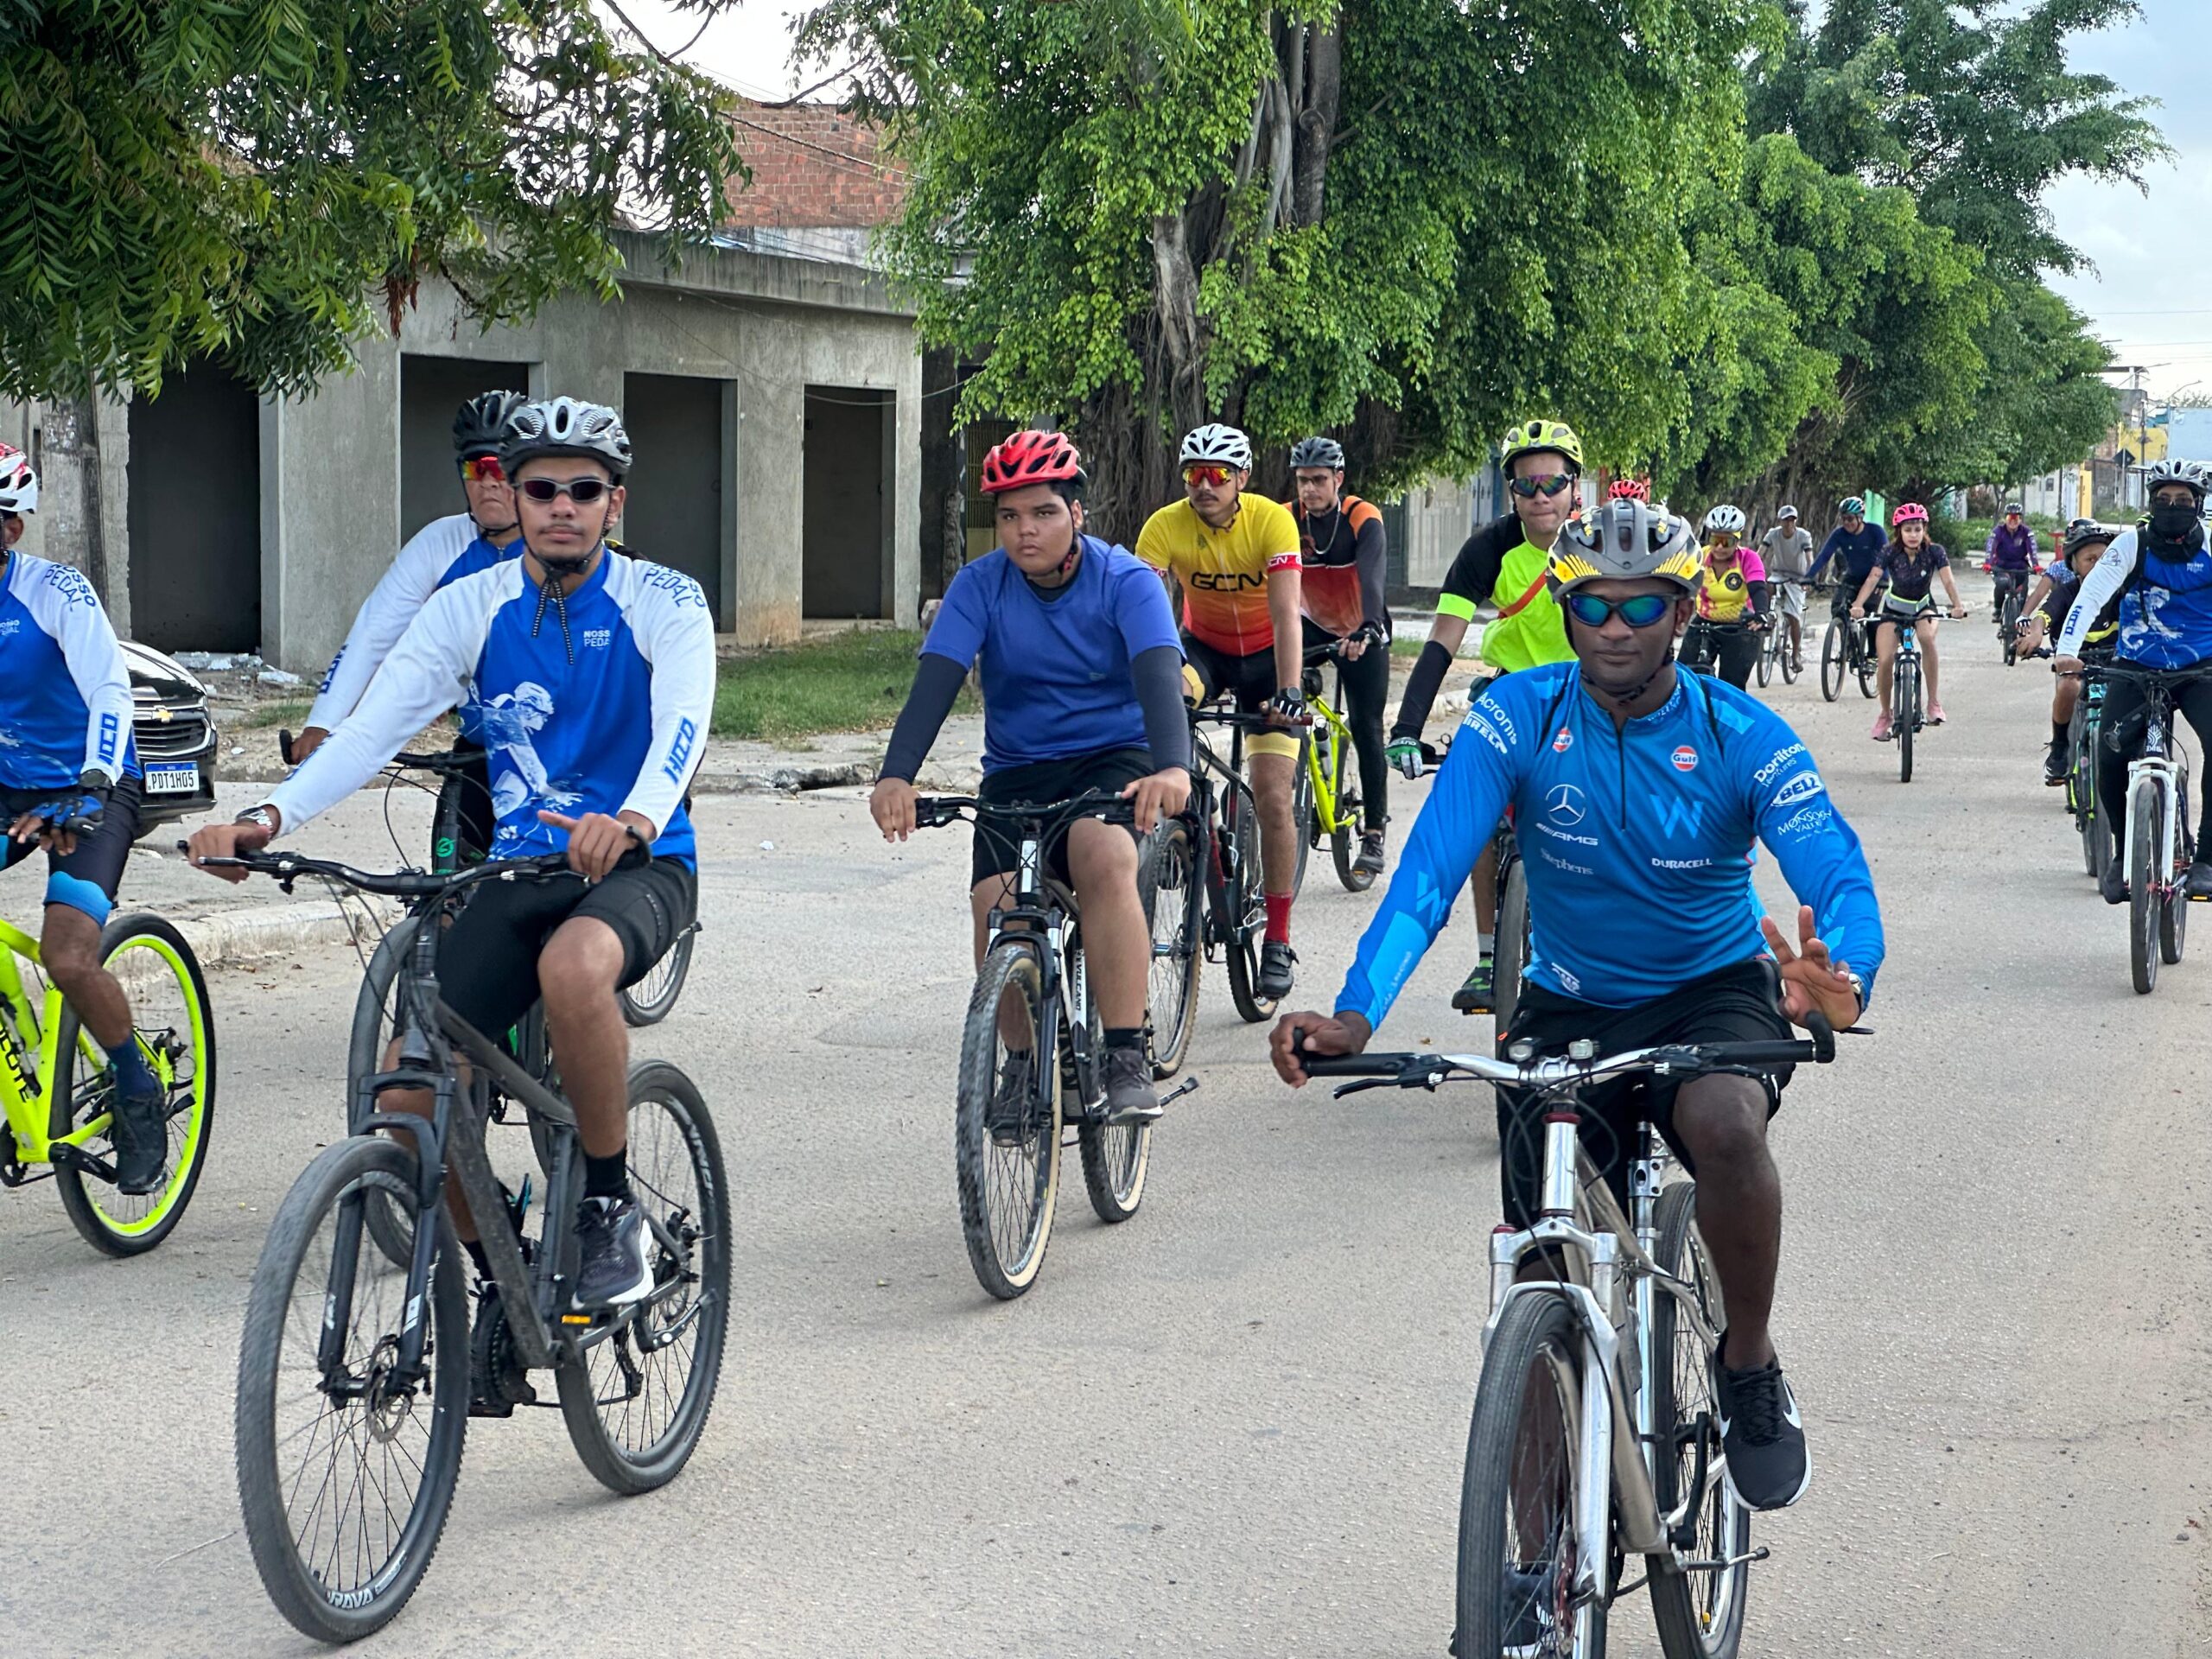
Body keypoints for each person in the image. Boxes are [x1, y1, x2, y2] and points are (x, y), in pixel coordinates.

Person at [1270, 497, 1883, 1541]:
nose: (1613, 625)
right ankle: (1537, 1572)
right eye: (1591, 603)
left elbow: (1830, 860)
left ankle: (1746, 1360)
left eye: (1640, 604)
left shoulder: (1738, 732)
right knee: (1542, 1266)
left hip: (1711, 986)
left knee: (1727, 1127)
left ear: (1681, 613)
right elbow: (1429, 868)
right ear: (1564, 605)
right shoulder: (1518, 716)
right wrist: (1357, 1010)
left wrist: (1846, 975)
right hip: (1569, 1000)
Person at [188, 397, 715, 1311]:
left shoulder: (662, 599)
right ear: (513, 495)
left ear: (613, 504)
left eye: (582, 490)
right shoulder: (470, 605)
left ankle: (604, 1204)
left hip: (639, 863)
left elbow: (683, 722)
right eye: (540, 488)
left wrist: (631, 817)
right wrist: (269, 819)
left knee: (575, 966)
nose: (561, 506)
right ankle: (500, 1277)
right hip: (514, 869)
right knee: (407, 1104)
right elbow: (370, 731)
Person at [870, 431, 1191, 1124]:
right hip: (1018, 770)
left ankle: (1127, 1053)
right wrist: (896, 776)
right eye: (1009, 517)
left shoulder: (1126, 581)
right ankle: (1021, 1067)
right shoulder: (979, 586)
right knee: (997, 909)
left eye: (1042, 512)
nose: (1024, 532)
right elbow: (937, 681)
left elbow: (1160, 676)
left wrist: (1173, 766)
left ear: (1078, 514)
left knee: (1101, 854)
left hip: (1114, 756)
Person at [0, 444, 167, 1194]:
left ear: (11, 529)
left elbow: (109, 687)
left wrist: (93, 785)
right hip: (9, 785)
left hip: (91, 784)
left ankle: (137, 1091)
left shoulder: (55, 591)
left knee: (68, 958)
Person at [1385, 417, 1584, 1014]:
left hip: (1590, 696)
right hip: (1509, 697)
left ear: (1576, 488)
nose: (1540, 497)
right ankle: (1488, 953)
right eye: (1527, 487)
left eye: (1552, 484)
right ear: (1510, 494)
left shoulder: (1600, 540)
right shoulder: (1486, 549)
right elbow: (1442, 642)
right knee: (1478, 812)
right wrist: (1406, 728)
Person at [294, 391, 531, 854]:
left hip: (555, 751)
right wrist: (322, 725)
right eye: (473, 469)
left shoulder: (558, 546)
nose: (486, 483)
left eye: (498, 469)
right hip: (477, 747)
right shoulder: (440, 543)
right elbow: (372, 634)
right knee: (445, 890)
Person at [1137, 423, 1304, 998]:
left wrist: (1290, 689)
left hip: (1266, 659)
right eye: (1193, 474)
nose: (1204, 486)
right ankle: (1185, 827)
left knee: (1274, 795)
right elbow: (1146, 615)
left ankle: (1278, 939)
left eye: (1217, 475)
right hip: (1204, 651)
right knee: (1166, 700)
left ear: (1243, 479)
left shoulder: (1271, 520)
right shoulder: (1164, 526)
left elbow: (1287, 615)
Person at [2054, 459, 2212, 902]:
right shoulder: (2131, 545)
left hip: (2201, 668)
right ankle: (2125, 852)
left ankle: (2205, 860)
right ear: (2151, 502)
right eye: (2163, 499)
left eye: (2183, 500)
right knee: (2108, 754)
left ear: (2198, 505)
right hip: (2137, 667)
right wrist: (2068, 649)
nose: (2172, 507)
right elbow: (2090, 597)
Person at [1287, 435, 1390, 876]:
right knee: (1277, 699)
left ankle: (1374, 833)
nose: (1309, 489)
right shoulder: (1287, 519)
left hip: (1360, 629)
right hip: (1311, 625)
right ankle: (1311, 762)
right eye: (1303, 481)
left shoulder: (1362, 518)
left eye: (1319, 480)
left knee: (1366, 726)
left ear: (1339, 479)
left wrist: (1368, 627)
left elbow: (1372, 578)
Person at [2013, 520, 2118, 785]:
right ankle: (2060, 748)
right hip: (2074, 662)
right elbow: (2044, 617)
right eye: (2089, 559)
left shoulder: (2122, 591)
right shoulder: (2066, 593)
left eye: (2104, 558)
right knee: (2069, 687)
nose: (2098, 565)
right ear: (2074, 565)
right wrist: (2035, 633)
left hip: (2114, 663)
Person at [1852, 503, 1967, 739]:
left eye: (1917, 529)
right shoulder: (1889, 552)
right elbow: (1874, 577)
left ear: (1924, 529)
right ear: (1899, 532)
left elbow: (1947, 580)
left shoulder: (1935, 551)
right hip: (1894, 608)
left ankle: (1933, 703)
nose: (1913, 535)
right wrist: (1858, 604)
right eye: (1908, 530)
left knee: (1926, 638)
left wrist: (1957, 605)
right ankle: (1886, 714)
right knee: (1884, 660)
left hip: (1923, 607)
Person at [1680, 505, 1770, 690]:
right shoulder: (1698, 556)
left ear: (1737, 541)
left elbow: (1758, 588)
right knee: (1682, 677)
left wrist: (1761, 613)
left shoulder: (1749, 559)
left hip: (1741, 626)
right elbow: (1681, 583)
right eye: (1715, 540)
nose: (1719, 547)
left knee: (1732, 686)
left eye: (1727, 542)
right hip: (1704, 621)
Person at [1809, 496, 1887, 625]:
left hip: (1875, 579)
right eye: (1843, 519)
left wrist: (1884, 578)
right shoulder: (1839, 534)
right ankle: (1846, 637)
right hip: (1852, 576)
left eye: (1850, 518)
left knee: (1869, 618)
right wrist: (1809, 576)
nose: (1846, 523)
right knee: (1837, 607)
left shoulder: (1876, 531)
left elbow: (1885, 557)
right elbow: (1824, 556)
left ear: (1860, 518)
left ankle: (1871, 642)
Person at [1758, 505, 1816, 671]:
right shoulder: (1773, 534)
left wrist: (1809, 577)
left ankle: (1796, 654)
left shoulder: (1803, 536)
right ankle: (1768, 614)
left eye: (1792, 520)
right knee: (1768, 584)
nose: (1789, 523)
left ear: (1795, 521)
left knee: (1793, 617)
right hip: (1779, 573)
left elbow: (1809, 557)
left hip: (1798, 577)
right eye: (1786, 520)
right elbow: (1760, 553)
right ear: (1780, 521)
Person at [1985, 502, 2039, 646]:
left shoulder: (2027, 532)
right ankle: (1997, 610)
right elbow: (1991, 546)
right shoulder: (1998, 531)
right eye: (2010, 517)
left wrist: (2036, 565)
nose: (2013, 521)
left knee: (2023, 596)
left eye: (2016, 518)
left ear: (2021, 519)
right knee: (2002, 584)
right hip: (2001, 566)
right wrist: (1988, 563)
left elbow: (2032, 548)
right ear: (2005, 519)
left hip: (2020, 567)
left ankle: (2020, 621)